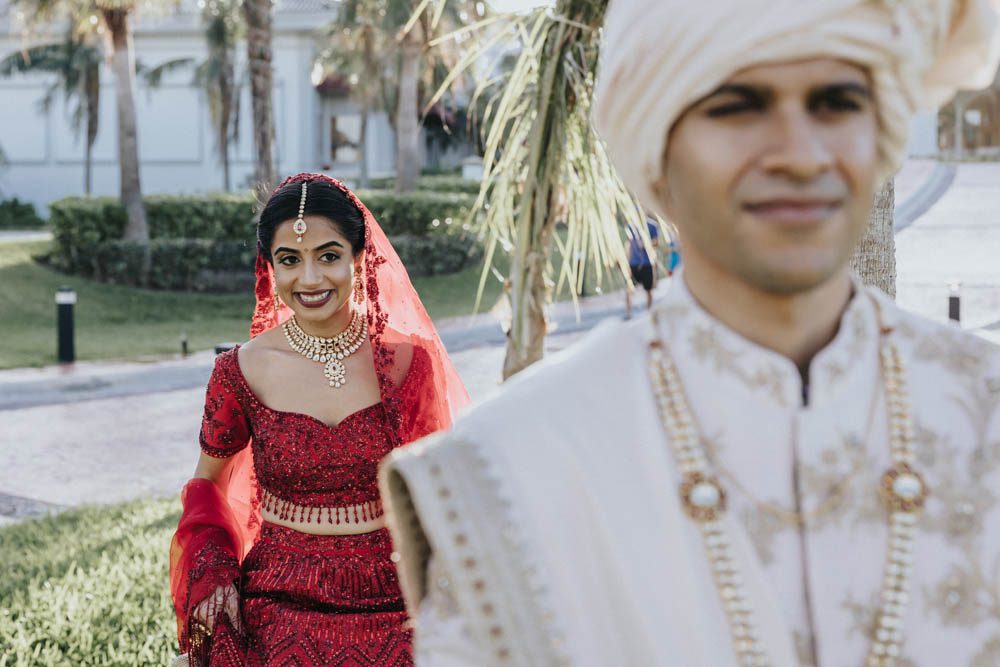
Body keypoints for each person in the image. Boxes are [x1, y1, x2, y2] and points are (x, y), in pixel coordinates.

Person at [379, 1, 1000, 665]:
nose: (799, 153)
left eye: (836, 102)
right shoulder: (510, 472)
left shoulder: (982, 409)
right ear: (657, 147)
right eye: (737, 106)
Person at [169, 173, 469, 666]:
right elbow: (207, 488)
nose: (309, 279)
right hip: (279, 599)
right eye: (290, 260)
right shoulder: (239, 371)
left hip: (396, 598)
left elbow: (437, 489)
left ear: (359, 256)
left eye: (328, 256)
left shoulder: (408, 364)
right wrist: (215, 569)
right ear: (269, 266)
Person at [624, 215, 659, 319]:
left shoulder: (652, 225)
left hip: (647, 263)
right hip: (633, 263)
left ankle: (649, 313)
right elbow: (629, 243)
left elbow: (657, 242)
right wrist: (626, 259)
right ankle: (628, 313)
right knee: (629, 288)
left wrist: (646, 244)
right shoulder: (631, 226)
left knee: (648, 290)